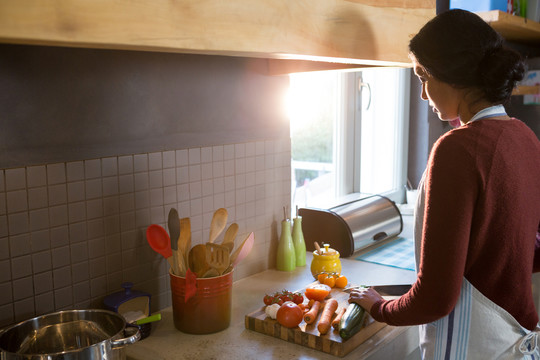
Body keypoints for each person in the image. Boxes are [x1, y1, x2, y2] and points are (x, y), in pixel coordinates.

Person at [348, 9, 540, 359]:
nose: (422, 93)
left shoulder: (457, 149)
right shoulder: (525, 138)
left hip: (472, 347)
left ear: (451, 75)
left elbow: (435, 299)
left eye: (423, 76)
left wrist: (379, 307)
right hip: (520, 342)